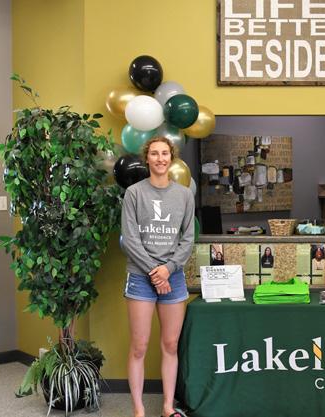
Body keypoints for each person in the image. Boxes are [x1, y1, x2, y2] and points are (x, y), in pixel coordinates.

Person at [121, 137, 195, 417]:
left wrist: (168, 269)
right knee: (139, 346)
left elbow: (188, 238)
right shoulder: (134, 193)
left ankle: (167, 407)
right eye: (154, 153)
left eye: (165, 153)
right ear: (147, 158)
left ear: (171, 157)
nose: (160, 158)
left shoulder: (184, 195)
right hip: (141, 277)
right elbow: (130, 239)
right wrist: (155, 272)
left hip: (173, 277)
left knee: (170, 345)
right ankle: (139, 410)